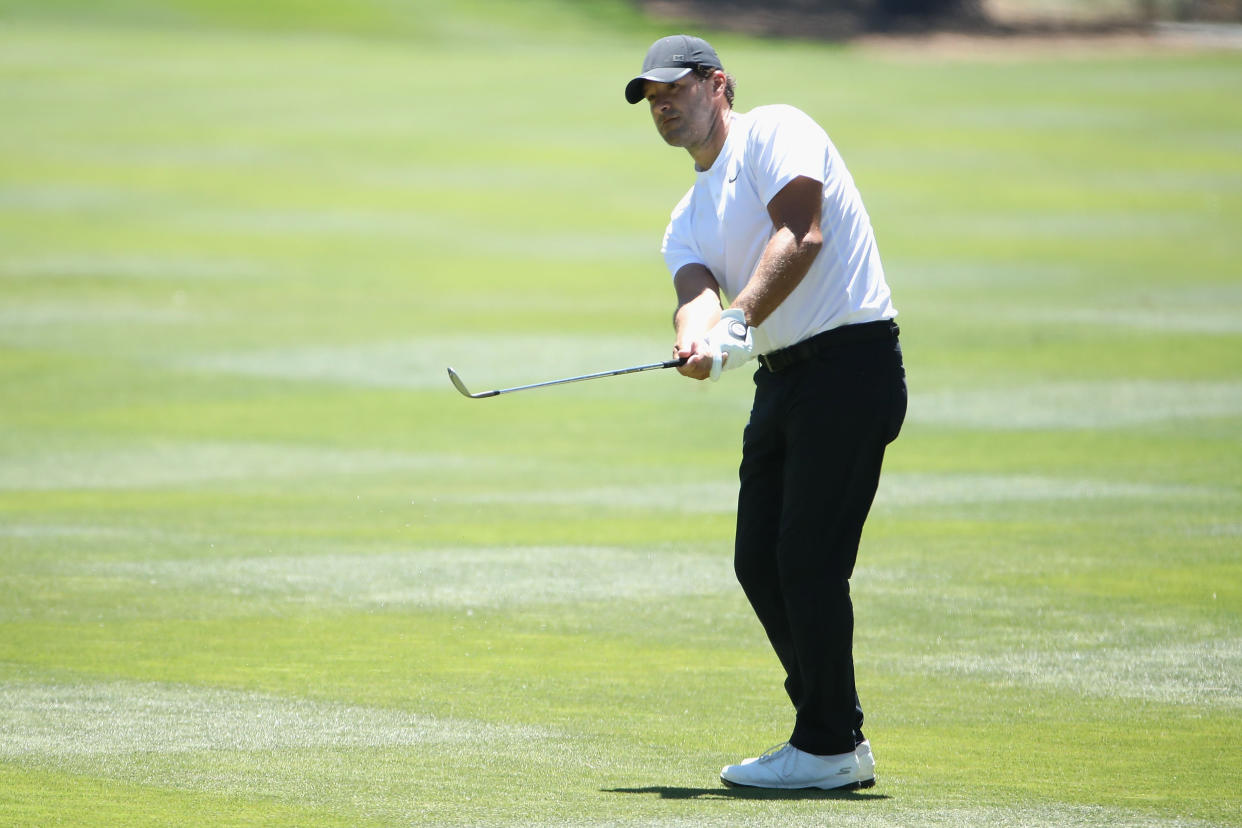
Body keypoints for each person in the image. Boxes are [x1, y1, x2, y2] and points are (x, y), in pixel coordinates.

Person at [624, 34, 907, 790]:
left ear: (719, 85)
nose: (664, 105)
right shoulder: (686, 214)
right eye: (653, 98)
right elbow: (694, 297)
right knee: (760, 562)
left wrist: (737, 325)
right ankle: (834, 733)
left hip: (851, 363)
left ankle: (824, 744)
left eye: (676, 88)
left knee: (808, 560)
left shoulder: (775, 131)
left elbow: (802, 232)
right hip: (783, 384)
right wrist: (698, 344)